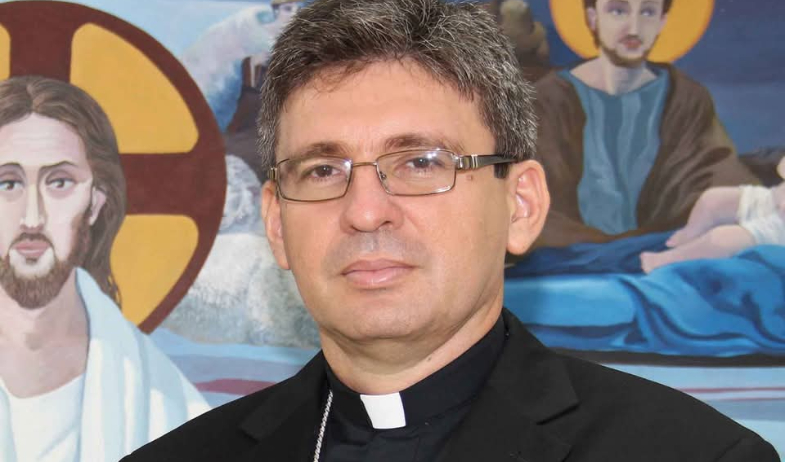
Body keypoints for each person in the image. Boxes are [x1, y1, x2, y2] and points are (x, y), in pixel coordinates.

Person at [122, 1, 779, 461]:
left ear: (520, 205)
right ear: (275, 223)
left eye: (420, 163)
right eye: (323, 170)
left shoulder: (694, 455)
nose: (365, 211)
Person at [0, 76, 209, 462]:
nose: (32, 217)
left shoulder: (164, 404)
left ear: (95, 202)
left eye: (59, 182)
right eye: (7, 183)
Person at [534, 0, 759, 249]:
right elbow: (529, 200)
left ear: (662, 21)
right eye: (618, 11)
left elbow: (714, 174)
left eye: (648, 12)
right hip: (568, 256)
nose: (634, 28)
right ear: (592, 17)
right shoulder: (547, 100)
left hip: (666, 254)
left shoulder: (685, 99)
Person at [641, 157, 785, 272]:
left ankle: (667, 260)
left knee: (723, 238)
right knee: (712, 199)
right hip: (771, 200)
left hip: (779, 228)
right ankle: (691, 233)